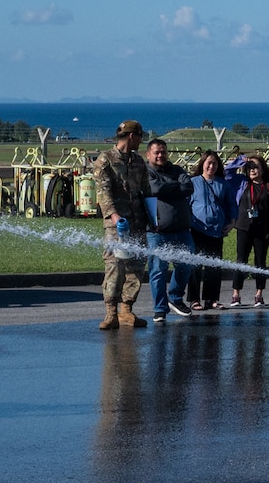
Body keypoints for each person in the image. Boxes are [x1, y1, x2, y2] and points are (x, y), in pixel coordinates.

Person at [93, 120, 151, 331]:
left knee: (136, 267)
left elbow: (146, 191)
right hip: (116, 224)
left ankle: (126, 309)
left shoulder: (138, 162)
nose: (141, 141)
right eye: (140, 137)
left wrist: (152, 218)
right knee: (115, 267)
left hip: (138, 222)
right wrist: (114, 216)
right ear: (132, 137)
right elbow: (103, 192)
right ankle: (111, 312)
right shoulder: (105, 160)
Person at [144, 138, 195, 322]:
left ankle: (175, 297)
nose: (160, 155)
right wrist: (175, 186)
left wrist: (168, 186)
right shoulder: (146, 172)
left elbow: (188, 187)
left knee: (186, 265)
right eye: (156, 152)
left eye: (163, 152)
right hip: (157, 233)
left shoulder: (178, 170)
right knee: (158, 270)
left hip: (182, 230)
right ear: (148, 154)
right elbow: (154, 189)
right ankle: (160, 308)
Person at [229, 155, 269, 307]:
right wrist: (241, 160)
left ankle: (259, 294)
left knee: (260, 262)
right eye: (249, 168)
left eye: (255, 167)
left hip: (263, 230)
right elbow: (227, 173)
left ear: (263, 169)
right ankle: (236, 293)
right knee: (241, 260)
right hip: (243, 227)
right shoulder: (242, 183)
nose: (252, 170)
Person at [186, 151, 232, 312]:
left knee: (214, 266)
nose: (211, 166)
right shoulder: (193, 182)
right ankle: (193, 299)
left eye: (215, 163)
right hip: (196, 230)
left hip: (216, 231)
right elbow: (186, 204)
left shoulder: (223, 184)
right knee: (195, 266)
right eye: (209, 163)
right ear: (202, 163)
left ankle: (211, 299)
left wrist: (231, 223)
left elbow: (231, 206)